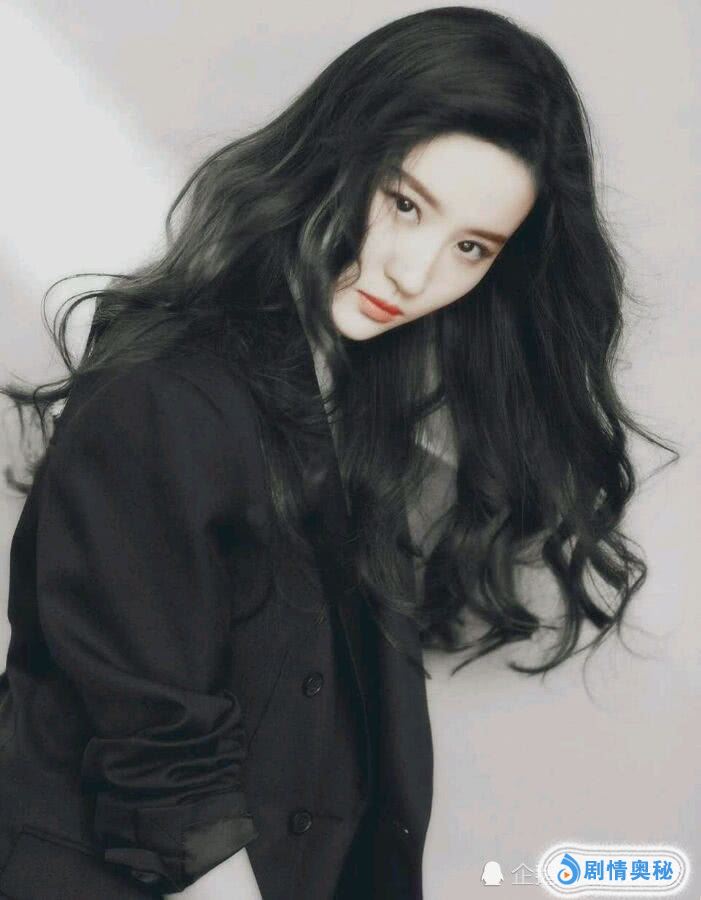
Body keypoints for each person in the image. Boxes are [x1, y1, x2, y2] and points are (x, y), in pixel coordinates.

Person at [0, 6, 675, 899]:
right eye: (404, 203)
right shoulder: (166, 397)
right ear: (335, 152)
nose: (415, 273)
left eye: (469, 247)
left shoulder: (353, 417)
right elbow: (169, 784)